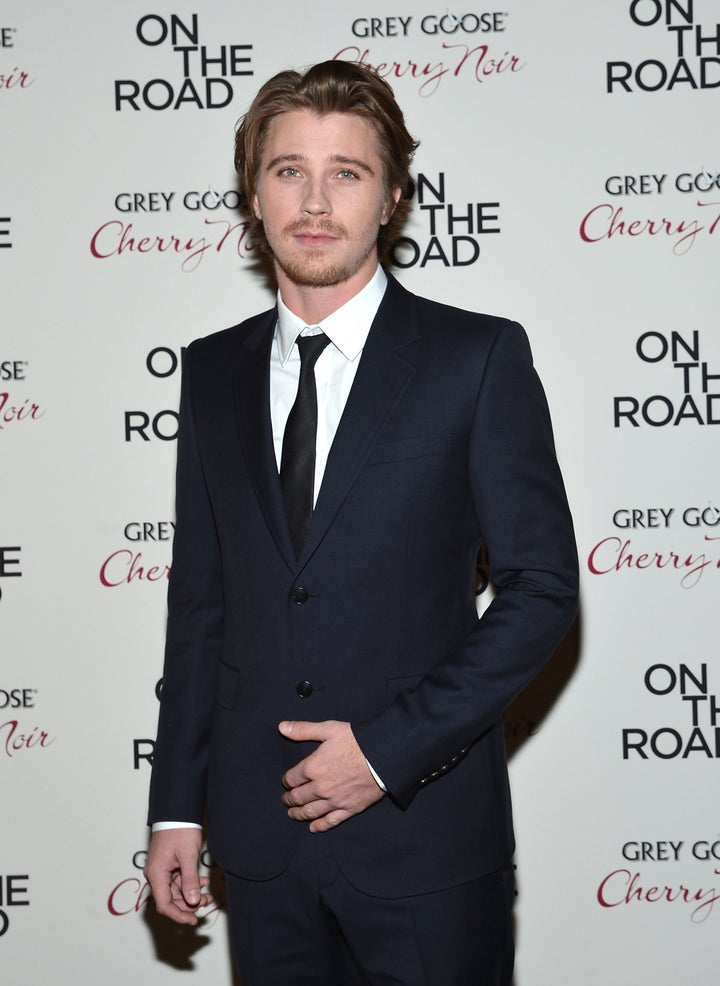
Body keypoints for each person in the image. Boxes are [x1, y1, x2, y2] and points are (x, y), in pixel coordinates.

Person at [145, 59, 578, 985]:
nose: (314, 198)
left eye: (346, 172)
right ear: (253, 195)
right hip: (258, 851)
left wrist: (384, 753)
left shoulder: (478, 357)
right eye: (287, 169)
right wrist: (176, 806)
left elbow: (541, 593)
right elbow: (202, 607)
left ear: (390, 199)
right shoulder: (211, 374)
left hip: (423, 845)